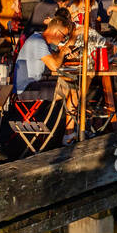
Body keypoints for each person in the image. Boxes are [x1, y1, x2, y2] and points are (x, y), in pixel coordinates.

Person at [12, 14, 80, 144]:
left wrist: (64, 54)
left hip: (33, 82)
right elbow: (54, 66)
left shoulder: (39, 39)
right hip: (27, 87)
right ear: (56, 31)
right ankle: (69, 134)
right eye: (63, 35)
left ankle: (71, 130)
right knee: (75, 89)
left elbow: (54, 58)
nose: (63, 39)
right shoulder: (37, 42)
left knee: (74, 87)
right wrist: (63, 51)